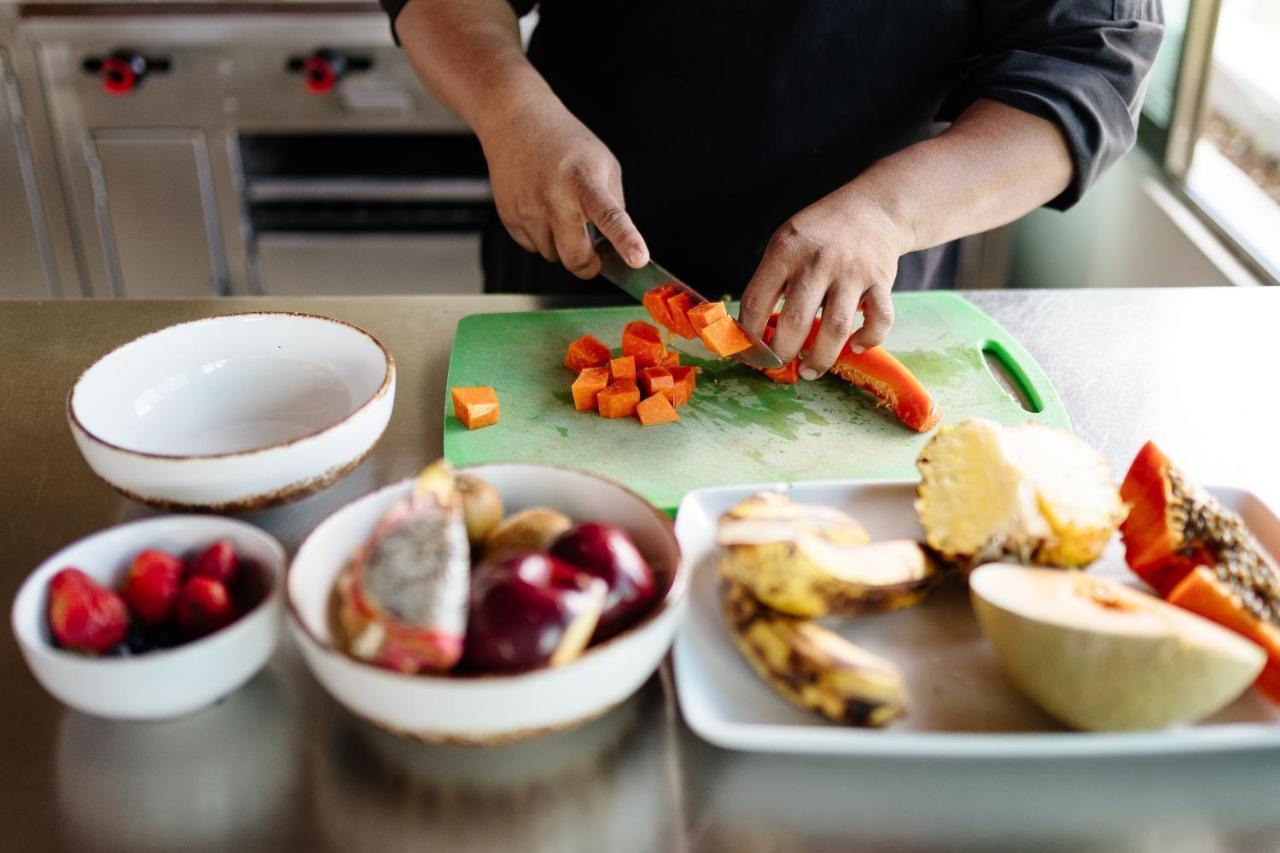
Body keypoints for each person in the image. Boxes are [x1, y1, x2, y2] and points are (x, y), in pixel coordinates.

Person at [385, 1, 1162, 378]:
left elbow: (1091, 57)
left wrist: (887, 214)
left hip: (856, 318)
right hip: (571, 255)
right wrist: (509, 109)